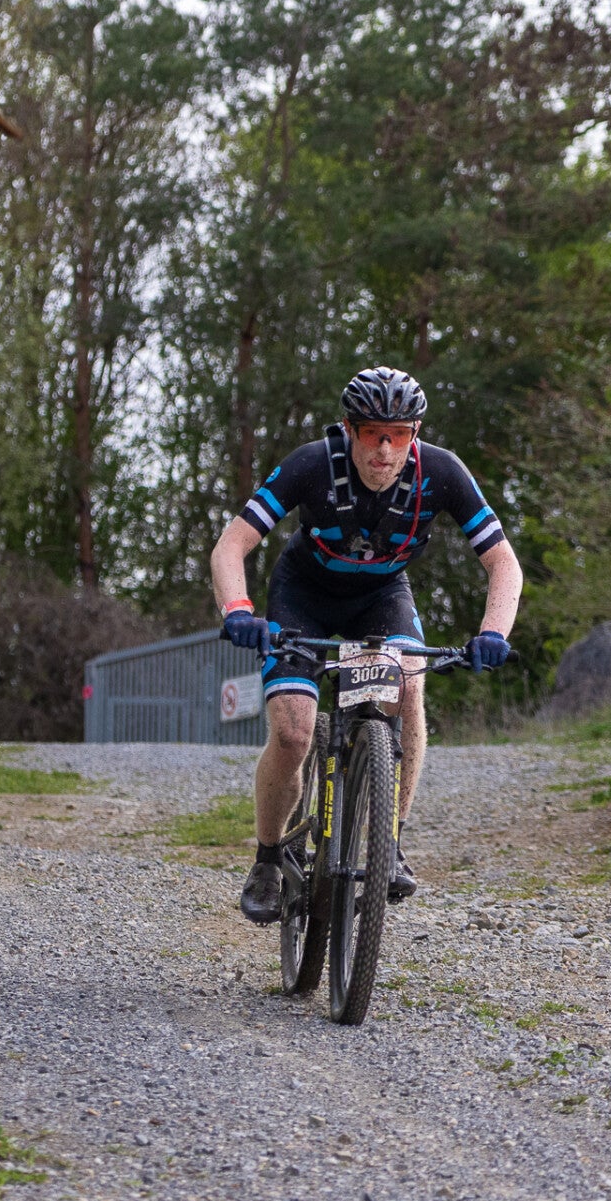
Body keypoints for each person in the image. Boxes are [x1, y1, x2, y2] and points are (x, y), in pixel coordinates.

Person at [208, 366, 524, 923]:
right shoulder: (312, 464)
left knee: (408, 686)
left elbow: (503, 562)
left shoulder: (441, 472)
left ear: (414, 434)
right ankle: (268, 857)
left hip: (381, 597)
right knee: (292, 733)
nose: (384, 449)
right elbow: (232, 544)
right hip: (303, 594)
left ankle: (388, 840)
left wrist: (494, 632)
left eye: (398, 435)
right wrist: (238, 610)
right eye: (373, 433)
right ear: (350, 428)